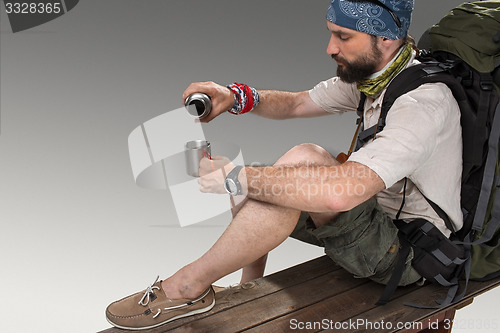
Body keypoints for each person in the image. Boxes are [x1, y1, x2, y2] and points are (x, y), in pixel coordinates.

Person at [106, 0, 463, 330]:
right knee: (284, 169)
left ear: (386, 37)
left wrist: (233, 177)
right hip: (371, 222)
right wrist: (237, 97)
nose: (330, 48)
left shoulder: (422, 104)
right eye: (331, 34)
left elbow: (339, 196)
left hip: (408, 253)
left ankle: (187, 285)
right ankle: (247, 288)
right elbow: (295, 104)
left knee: (293, 165)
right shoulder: (379, 76)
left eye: (343, 36)